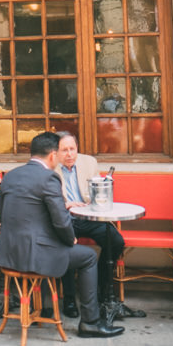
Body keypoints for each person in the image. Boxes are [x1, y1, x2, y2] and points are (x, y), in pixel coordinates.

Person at [0, 131, 122, 338]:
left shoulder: (10, 176)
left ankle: (45, 307)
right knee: (88, 256)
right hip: (35, 256)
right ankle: (90, 322)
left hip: (8, 254)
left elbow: (3, 215)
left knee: (62, 248)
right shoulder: (49, 177)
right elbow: (61, 221)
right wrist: (69, 238)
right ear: (53, 155)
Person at [56, 131, 140, 319]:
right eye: (64, 150)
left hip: (89, 216)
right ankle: (69, 298)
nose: (69, 154)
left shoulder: (89, 162)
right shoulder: (49, 167)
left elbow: (99, 193)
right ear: (56, 152)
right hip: (64, 217)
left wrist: (103, 188)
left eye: (72, 149)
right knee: (68, 245)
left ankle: (101, 289)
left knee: (115, 240)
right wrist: (65, 204)